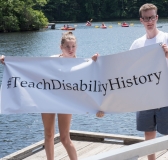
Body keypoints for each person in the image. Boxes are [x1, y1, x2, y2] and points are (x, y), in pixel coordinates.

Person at [0, 31, 104, 160]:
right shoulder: (52, 60)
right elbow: (31, 69)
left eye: (73, 46)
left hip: (66, 102)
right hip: (48, 99)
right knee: (49, 135)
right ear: (61, 47)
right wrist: (9, 62)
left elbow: (91, 83)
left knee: (64, 137)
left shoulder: (81, 63)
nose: (70, 49)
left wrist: (94, 61)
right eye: (67, 46)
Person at [129, 3, 168, 160]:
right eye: (146, 18)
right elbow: (128, 70)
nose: (150, 21)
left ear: (157, 17)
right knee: (148, 134)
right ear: (141, 20)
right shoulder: (137, 44)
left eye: (152, 17)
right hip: (145, 97)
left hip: (166, 95)